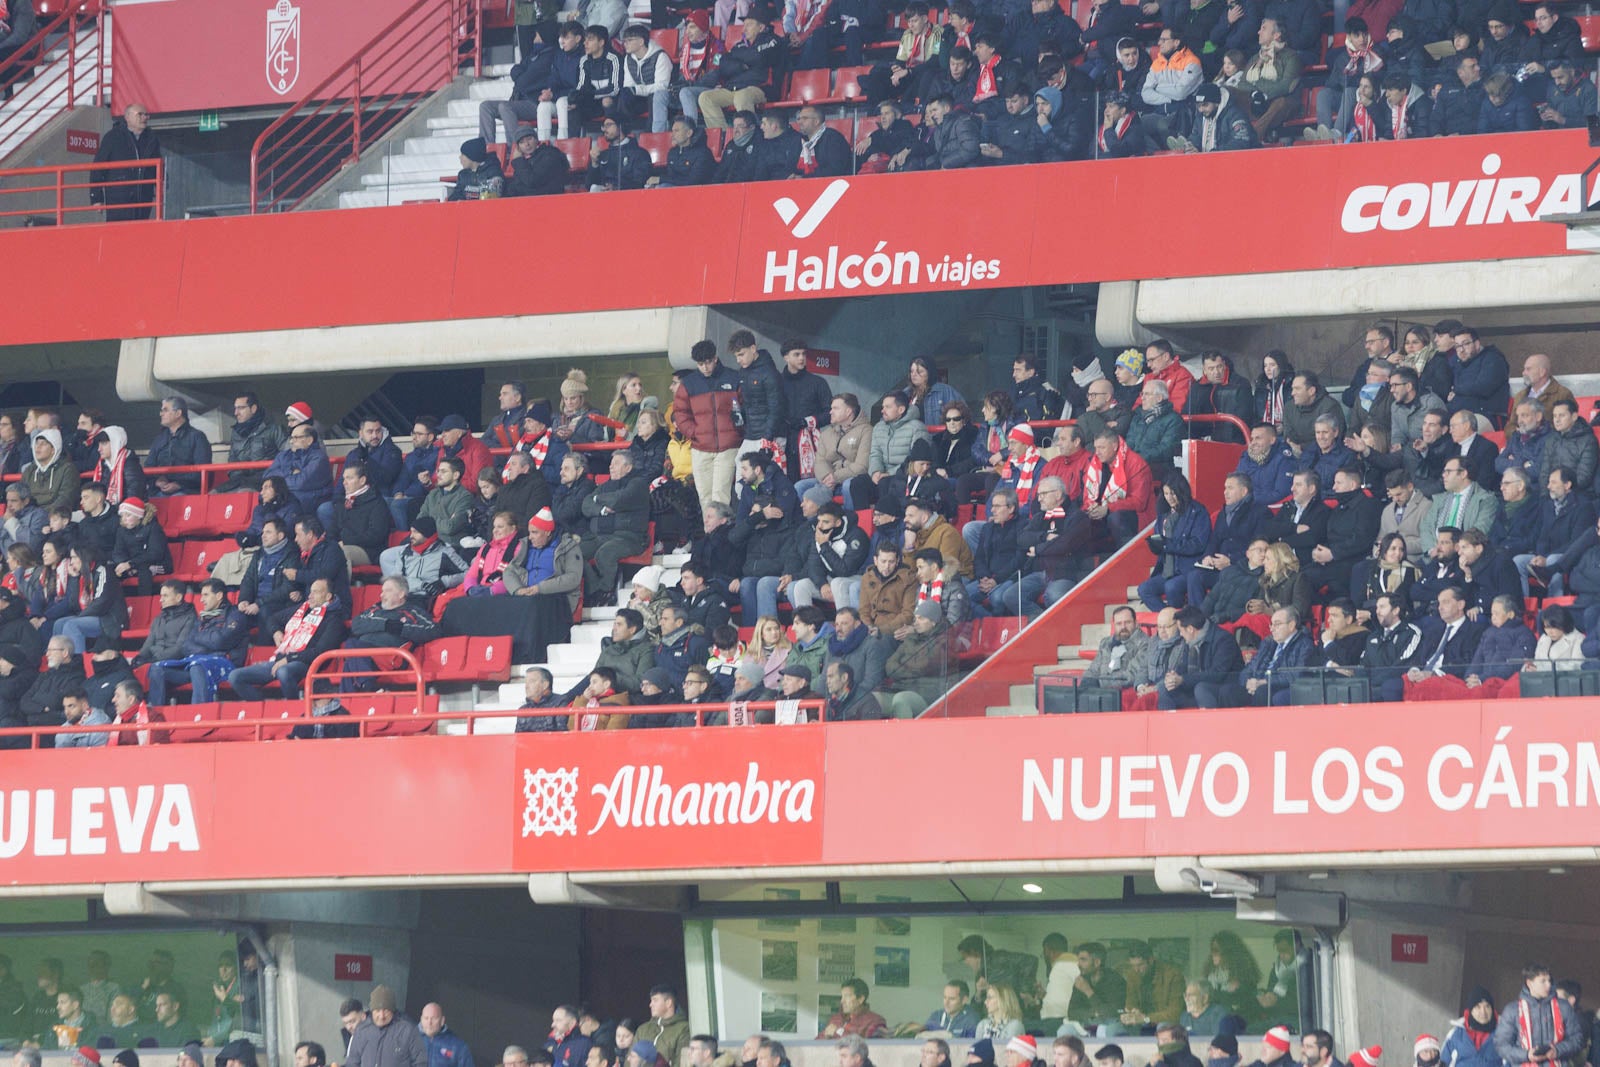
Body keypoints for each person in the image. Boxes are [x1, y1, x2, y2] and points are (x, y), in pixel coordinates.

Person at [227, 579, 347, 700]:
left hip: (306, 664)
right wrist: (276, 632)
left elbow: (320, 652)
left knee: (283, 672)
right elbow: (272, 619)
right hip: (281, 660)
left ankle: (293, 708)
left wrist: (289, 659)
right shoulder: (303, 609)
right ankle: (264, 707)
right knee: (235, 676)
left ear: (328, 596)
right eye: (310, 592)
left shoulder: (334, 620)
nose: (310, 596)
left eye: (315, 592)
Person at [1138, 474, 1211, 609]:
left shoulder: (1197, 511)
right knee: (1144, 589)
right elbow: (1160, 542)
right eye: (1166, 493)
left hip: (1188, 569)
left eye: (1173, 493)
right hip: (1167, 570)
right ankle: (1171, 619)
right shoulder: (1163, 514)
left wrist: (1167, 544)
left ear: (1181, 491)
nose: (1169, 498)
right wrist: (1155, 545)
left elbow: (1198, 544)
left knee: (1171, 587)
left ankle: (1180, 619)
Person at [1495, 965, 1585, 1067]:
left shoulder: (1563, 1007)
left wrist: (1557, 1050)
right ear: (1529, 983)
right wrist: (1527, 1055)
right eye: (1543, 981)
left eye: (1549, 980)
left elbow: (1577, 1039)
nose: (1548, 985)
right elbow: (1501, 1045)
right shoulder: (1512, 1010)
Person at [90, 104, 161, 221]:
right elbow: (98, 168)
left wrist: (159, 188)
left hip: (143, 197)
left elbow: (156, 167)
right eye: (140, 114)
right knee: (118, 233)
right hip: (119, 198)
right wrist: (96, 198)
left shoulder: (151, 139)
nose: (145, 118)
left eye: (146, 115)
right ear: (127, 117)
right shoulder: (113, 137)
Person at [346, 987, 428, 1067]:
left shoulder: (408, 1030)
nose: (381, 1016)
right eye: (377, 1010)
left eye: (386, 1010)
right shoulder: (362, 1031)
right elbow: (352, 1062)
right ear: (371, 1011)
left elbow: (421, 1062)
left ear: (393, 1010)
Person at [1442, 989, 1499, 1067]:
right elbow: (1443, 1062)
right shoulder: (1457, 1034)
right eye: (1478, 1007)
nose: (1483, 1012)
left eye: (1487, 1006)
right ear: (1470, 1010)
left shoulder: (1504, 1033)